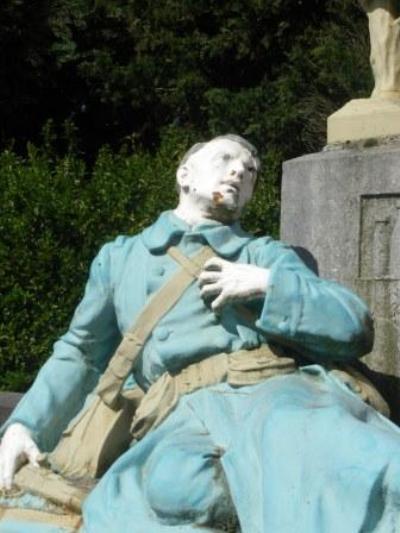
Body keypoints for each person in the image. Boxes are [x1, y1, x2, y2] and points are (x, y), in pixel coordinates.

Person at [1, 134, 400, 533]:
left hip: (272, 395)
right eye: (226, 158)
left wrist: (267, 285)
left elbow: (354, 325)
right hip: (179, 414)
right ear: (184, 175)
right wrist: (24, 426)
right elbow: (81, 353)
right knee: (175, 488)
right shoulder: (122, 258)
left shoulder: (261, 254)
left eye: (250, 172)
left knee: (353, 464)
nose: (239, 172)